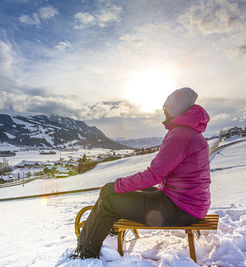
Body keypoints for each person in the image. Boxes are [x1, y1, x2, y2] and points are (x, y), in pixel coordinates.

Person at [73, 87, 211, 259]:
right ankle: (109, 233)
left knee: (109, 198)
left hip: (181, 208)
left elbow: (153, 175)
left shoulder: (180, 135)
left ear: (173, 111)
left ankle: (85, 254)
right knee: (117, 192)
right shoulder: (192, 134)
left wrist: (117, 185)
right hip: (190, 204)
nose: (164, 112)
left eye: (165, 108)